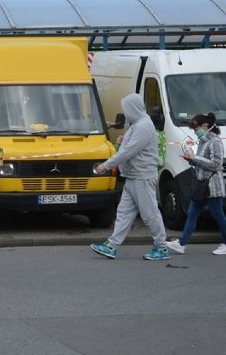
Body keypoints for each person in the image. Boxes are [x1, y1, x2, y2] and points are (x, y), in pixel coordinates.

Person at [90, 94, 170, 261]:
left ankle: (161, 247)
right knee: (124, 213)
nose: (125, 113)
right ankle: (112, 245)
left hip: (141, 176)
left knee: (149, 214)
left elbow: (129, 151)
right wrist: (121, 142)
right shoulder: (139, 124)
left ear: (132, 108)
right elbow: (129, 148)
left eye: (126, 109)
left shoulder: (142, 126)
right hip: (134, 175)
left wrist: (106, 165)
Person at [166, 113, 226, 255]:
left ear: (205, 126)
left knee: (218, 214)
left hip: (212, 186)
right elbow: (202, 162)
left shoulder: (215, 142)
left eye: (196, 128)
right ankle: (181, 244)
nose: (195, 132)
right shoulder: (203, 141)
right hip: (201, 185)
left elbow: (217, 164)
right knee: (193, 213)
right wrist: (191, 159)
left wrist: (195, 158)